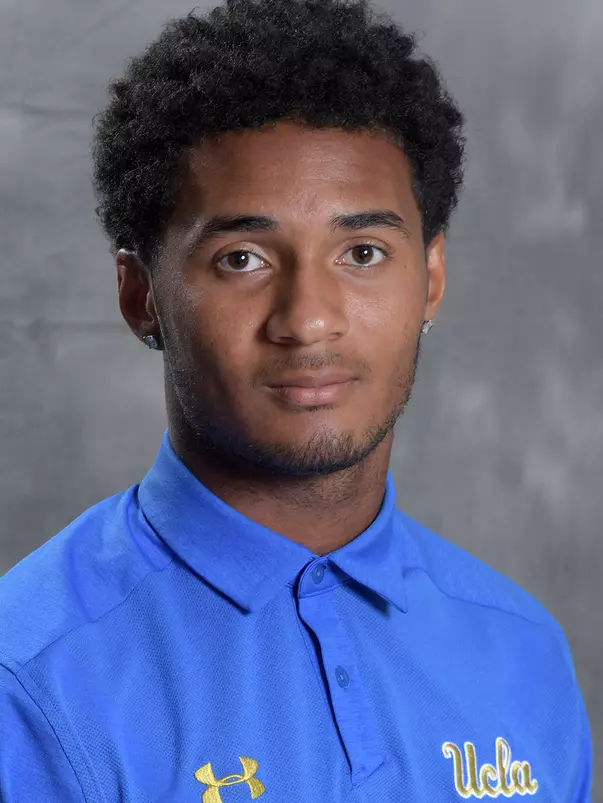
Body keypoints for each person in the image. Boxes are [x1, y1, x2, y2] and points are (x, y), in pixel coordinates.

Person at [0, 0, 592, 799]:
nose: (308, 318)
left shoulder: (523, 650)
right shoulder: (29, 678)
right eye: (241, 257)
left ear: (432, 277)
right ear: (141, 295)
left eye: (362, 251)